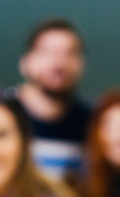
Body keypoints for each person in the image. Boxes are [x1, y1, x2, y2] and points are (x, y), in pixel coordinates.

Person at [17, 19, 91, 183]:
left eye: (70, 53)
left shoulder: (92, 123)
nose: (59, 63)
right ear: (25, 63)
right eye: (48, 52)